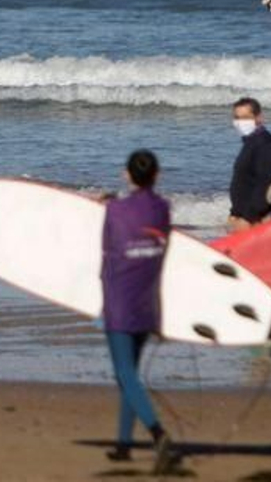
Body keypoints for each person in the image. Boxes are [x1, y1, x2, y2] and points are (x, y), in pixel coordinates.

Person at [101, 149, 180, 474]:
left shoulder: (115, 210)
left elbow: (107, 257)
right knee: (129, 373)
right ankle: (123, 445)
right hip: (149, 302)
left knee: (125, 373)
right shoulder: (163, 209)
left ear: (127, 175)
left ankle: (158, 433)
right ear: (157, 176)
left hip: (120, 302)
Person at [228, 97, 271, 230]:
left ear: (258, 118)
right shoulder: (250, 143)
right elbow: (246, 182)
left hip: (265, 220)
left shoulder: (266, 144)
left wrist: (248, 218)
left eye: (245, 118)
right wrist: (234, 213)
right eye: (236, 118)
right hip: (248, 218)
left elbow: (268, 186)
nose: (239, 122)